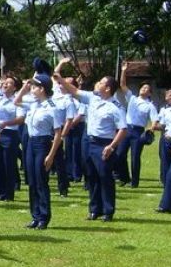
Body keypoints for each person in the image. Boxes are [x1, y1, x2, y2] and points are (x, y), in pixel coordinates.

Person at [54, 59, 127, 222]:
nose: (97, 83)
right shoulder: (93, 99)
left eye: (101, 82)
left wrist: (112, 146)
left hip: (103, 144)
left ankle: (108, 210)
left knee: (105, 177)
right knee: (91, 176)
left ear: (107, 88)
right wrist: (59, 79)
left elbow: (123, 129)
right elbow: (75, 91)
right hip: (89, 141)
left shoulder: (115, 107)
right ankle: (95, 209)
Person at [14, 73, 64, 229]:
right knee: (32, 181)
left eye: (34, 87)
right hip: (30, 142)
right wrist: (25, 86)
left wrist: (51, 155)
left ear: (42, 89)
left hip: (43, 143)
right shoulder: (33, 104)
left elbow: (58, 133)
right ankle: (35, 215)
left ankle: (44, 216)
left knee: (41, 181)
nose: (31, 89)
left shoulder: (51, 107)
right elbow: (17, 101)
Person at [117, 62, 159, 188]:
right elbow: (122, 85)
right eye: (143, 87)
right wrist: (124, 70)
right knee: (119, 154)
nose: (143, 89)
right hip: (127, 128)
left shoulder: (150, 105)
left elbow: (154, 120)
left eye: (147, 88)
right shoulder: (133, 98)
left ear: (150, 93)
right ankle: (124, 178)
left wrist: (150, 130)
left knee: (135, 157)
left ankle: (134, 182)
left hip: (138, 131)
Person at [0, 74, 24, 201]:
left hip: (10, 133)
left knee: (8, 164)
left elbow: (20, 119)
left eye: (9, 83)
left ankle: (9, 193)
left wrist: (6, 123)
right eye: (5, 82)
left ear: (15, 88)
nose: (5, 84)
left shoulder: (17, 101)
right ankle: (0, 192)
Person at [153, 89, 171, 185]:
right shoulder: (167, 110)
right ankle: (166, 183)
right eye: (170, 96)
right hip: (166, 137)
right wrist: (153, 127)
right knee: (165, 161)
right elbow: (163, 125)